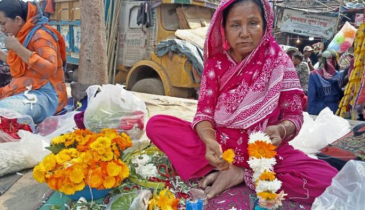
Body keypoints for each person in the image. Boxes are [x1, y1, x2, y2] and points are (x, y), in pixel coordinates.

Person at [146, 0, 337, 205]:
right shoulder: (215, 64)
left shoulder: (280, 62)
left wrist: (281, 130)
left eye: (253, 23)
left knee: (330, 180)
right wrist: (210, 142)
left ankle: (240, 175)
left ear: (265, 26)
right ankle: (221, 168)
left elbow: (294, 116)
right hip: (221, 150)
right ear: (224, 29)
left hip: (266, 156)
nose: (244, 32)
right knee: (157, 125)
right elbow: (203, 114)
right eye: (235, 25)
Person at [0, 0, 67, 123]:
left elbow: (50, 69)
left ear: (18, 20)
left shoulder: (41, 35)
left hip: (45, 95)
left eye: (3, 23)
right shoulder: (24, 34)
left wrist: (18, 48)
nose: (1, 29)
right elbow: (23, 65)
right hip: (24, 88)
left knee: (2, 111)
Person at [308, 49, 343, 115]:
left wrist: (311, 112)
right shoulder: (339, 76)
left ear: (322, 60)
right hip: (335, 110)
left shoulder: (314, 75)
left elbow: (312, 95)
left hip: (319, 110)